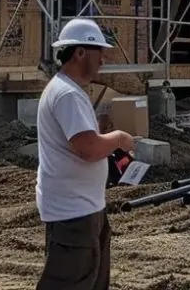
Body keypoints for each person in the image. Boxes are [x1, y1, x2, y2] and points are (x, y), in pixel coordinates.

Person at [35, 17, 133, 290]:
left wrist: (100, 132)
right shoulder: (67, 94)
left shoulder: (69, 91)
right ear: (79, 53)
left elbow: (82, 140)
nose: (103, 59)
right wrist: (117, 139)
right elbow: (88, 149)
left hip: (84, 209)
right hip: (73, 215)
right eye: (99, 52)